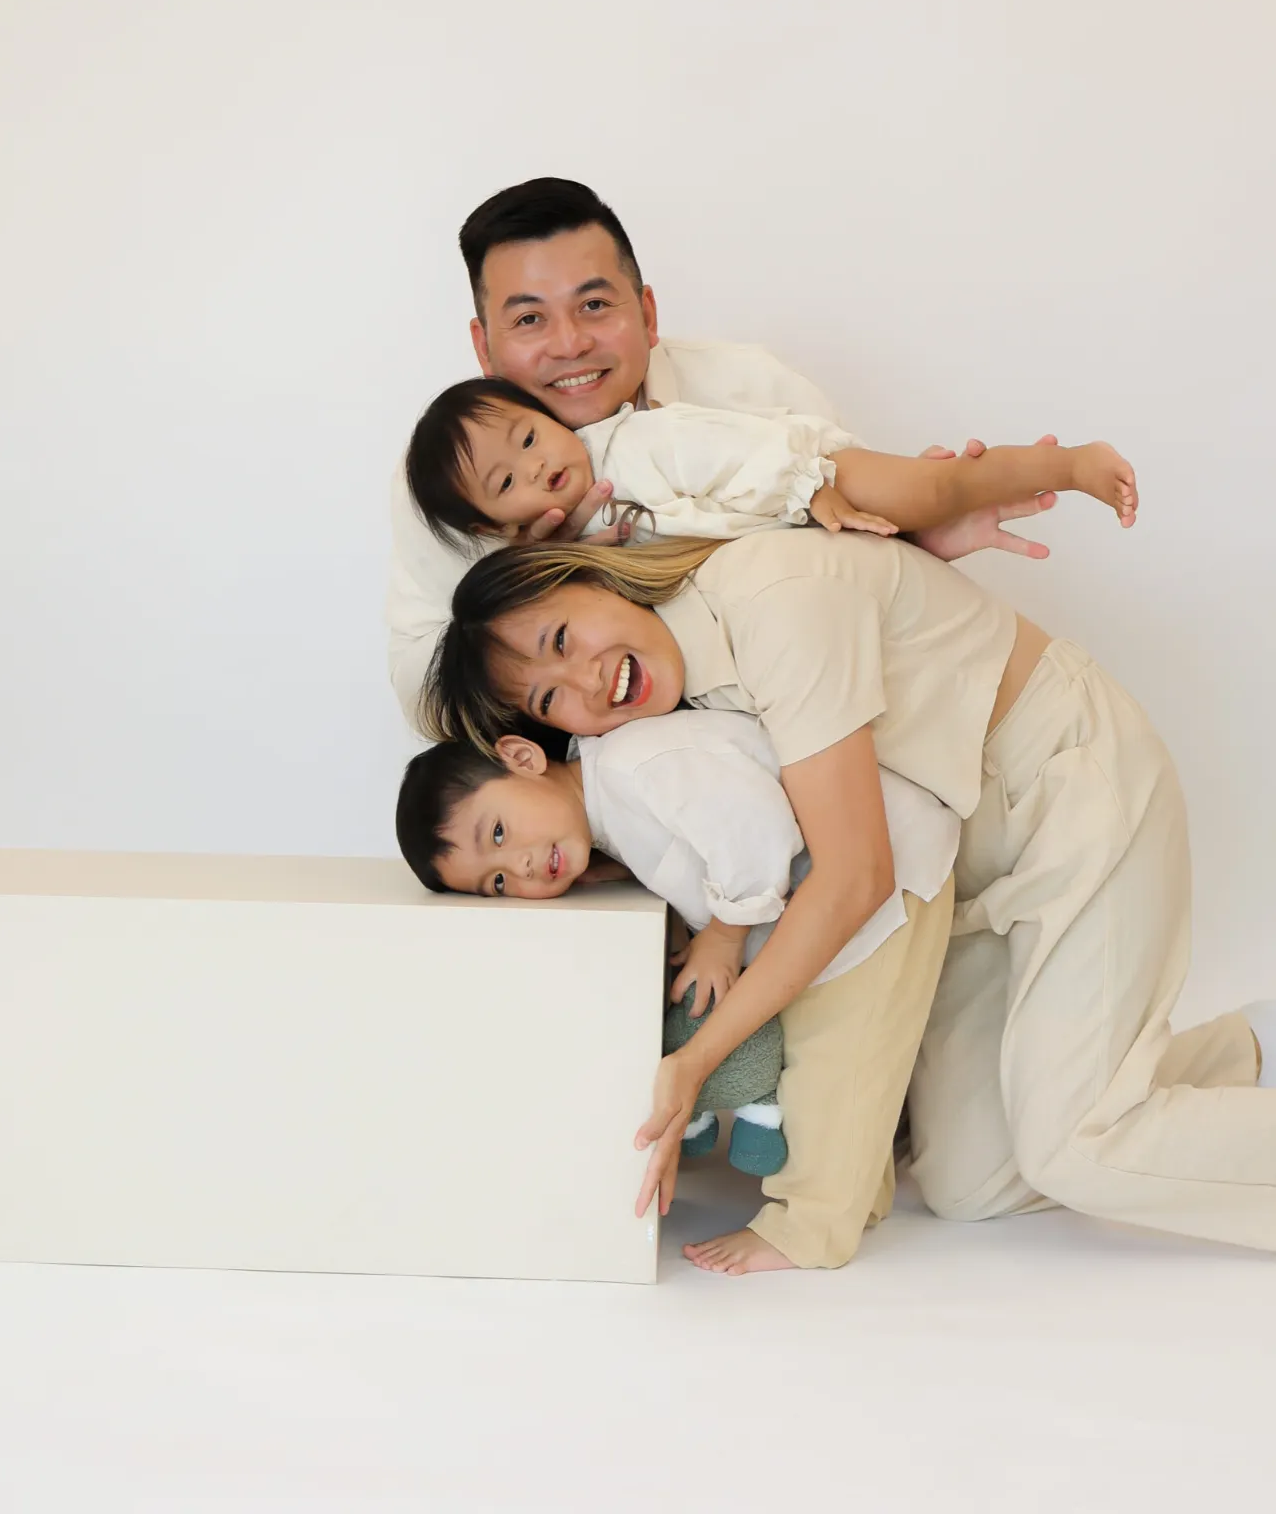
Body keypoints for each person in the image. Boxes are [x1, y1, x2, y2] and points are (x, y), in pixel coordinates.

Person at [424, 529, 1276, 1271]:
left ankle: (1127, 1105)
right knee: (970, 1182)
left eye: (564, 635)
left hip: (1065, 789)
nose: (586, 679)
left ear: (595, 575)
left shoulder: (774, 599)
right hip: (963, 862)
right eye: (548, 697)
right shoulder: (661, 708)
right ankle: (1252, 1050)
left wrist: (694, 1058)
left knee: (1077, 1151)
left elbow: (853, 877)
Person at [385, 177, 1062, 730]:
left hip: (810, 732)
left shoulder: (749, 391)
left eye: (594, 304)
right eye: (529, 319)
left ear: (648, 314)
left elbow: (843, 553)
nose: (569, 344)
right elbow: (425, 700)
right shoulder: (455, 483)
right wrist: (530, 574)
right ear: (484, 348)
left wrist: (915, 531)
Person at [395, 710, 958, 1241]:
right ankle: (860, 1183)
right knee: (823, 1102)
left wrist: (724, 934)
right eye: (496, 882)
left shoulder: (635, 766)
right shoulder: (606, 812)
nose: (516, 865)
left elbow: (757, 830)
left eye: (497, 833)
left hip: (885, 893)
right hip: (828, 931)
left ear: (522, 758)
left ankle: (809, 1232)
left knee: (836, 1087)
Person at [401, 372, 1138, 545]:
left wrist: (807, 487)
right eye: (505, 482)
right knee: (937, 501)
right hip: (796, 501)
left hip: (809, 474)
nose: (533, 468)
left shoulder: (631, 446)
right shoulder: (557, 545)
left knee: (945, 484)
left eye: (529, 438)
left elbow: (732, 452)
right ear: (495, 525)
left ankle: (1067, 466)